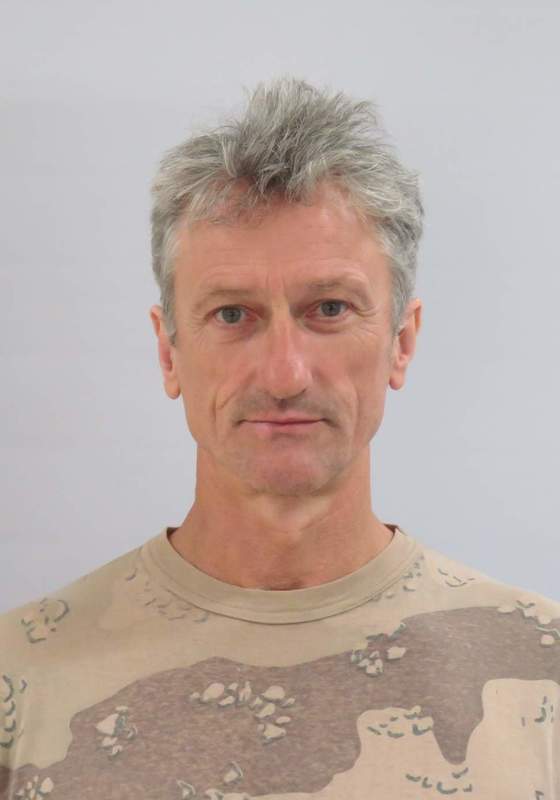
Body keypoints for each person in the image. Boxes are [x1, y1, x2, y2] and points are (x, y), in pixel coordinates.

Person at [1, 76, 558, 800]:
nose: (285, 373)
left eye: (330, 308)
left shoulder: (542, 669)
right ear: (168, 352)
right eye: (233, 315)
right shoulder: (19, 677)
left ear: (402, 342)